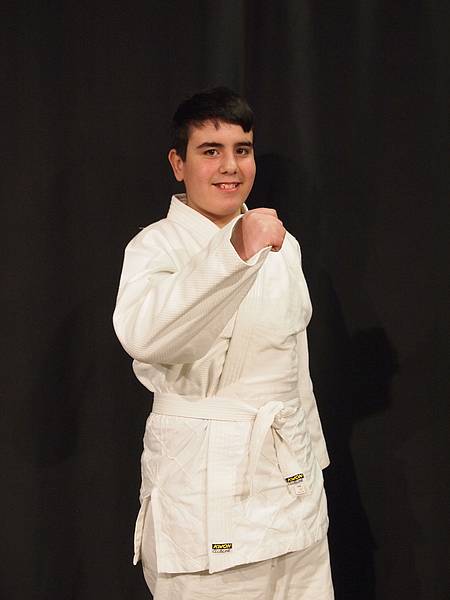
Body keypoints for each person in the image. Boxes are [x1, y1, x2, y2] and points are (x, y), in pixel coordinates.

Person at [113, 87, 334, 599]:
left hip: (291, 491)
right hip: (206, 494)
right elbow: (146, 337)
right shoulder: (154, 246)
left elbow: (295, 370)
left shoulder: (283, 245)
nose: (230, 166)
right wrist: (233, 253)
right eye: (210, 151)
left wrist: (312, 465)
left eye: (242, 150)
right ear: (178, 164)